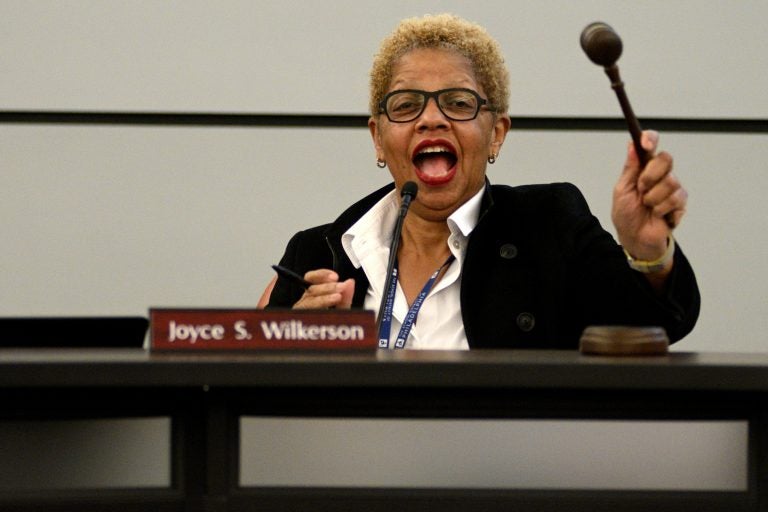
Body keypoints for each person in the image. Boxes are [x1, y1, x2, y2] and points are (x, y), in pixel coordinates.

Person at [264, 13, 700, 350]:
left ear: (496, 133)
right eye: (405, 105)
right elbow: (259, 398)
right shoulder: (319, 252)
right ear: (379, 139)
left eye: (458, 102)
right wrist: (291, 337)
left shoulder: (551, 228)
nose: (431, 119)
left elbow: (654, 329)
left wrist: (648, 253)